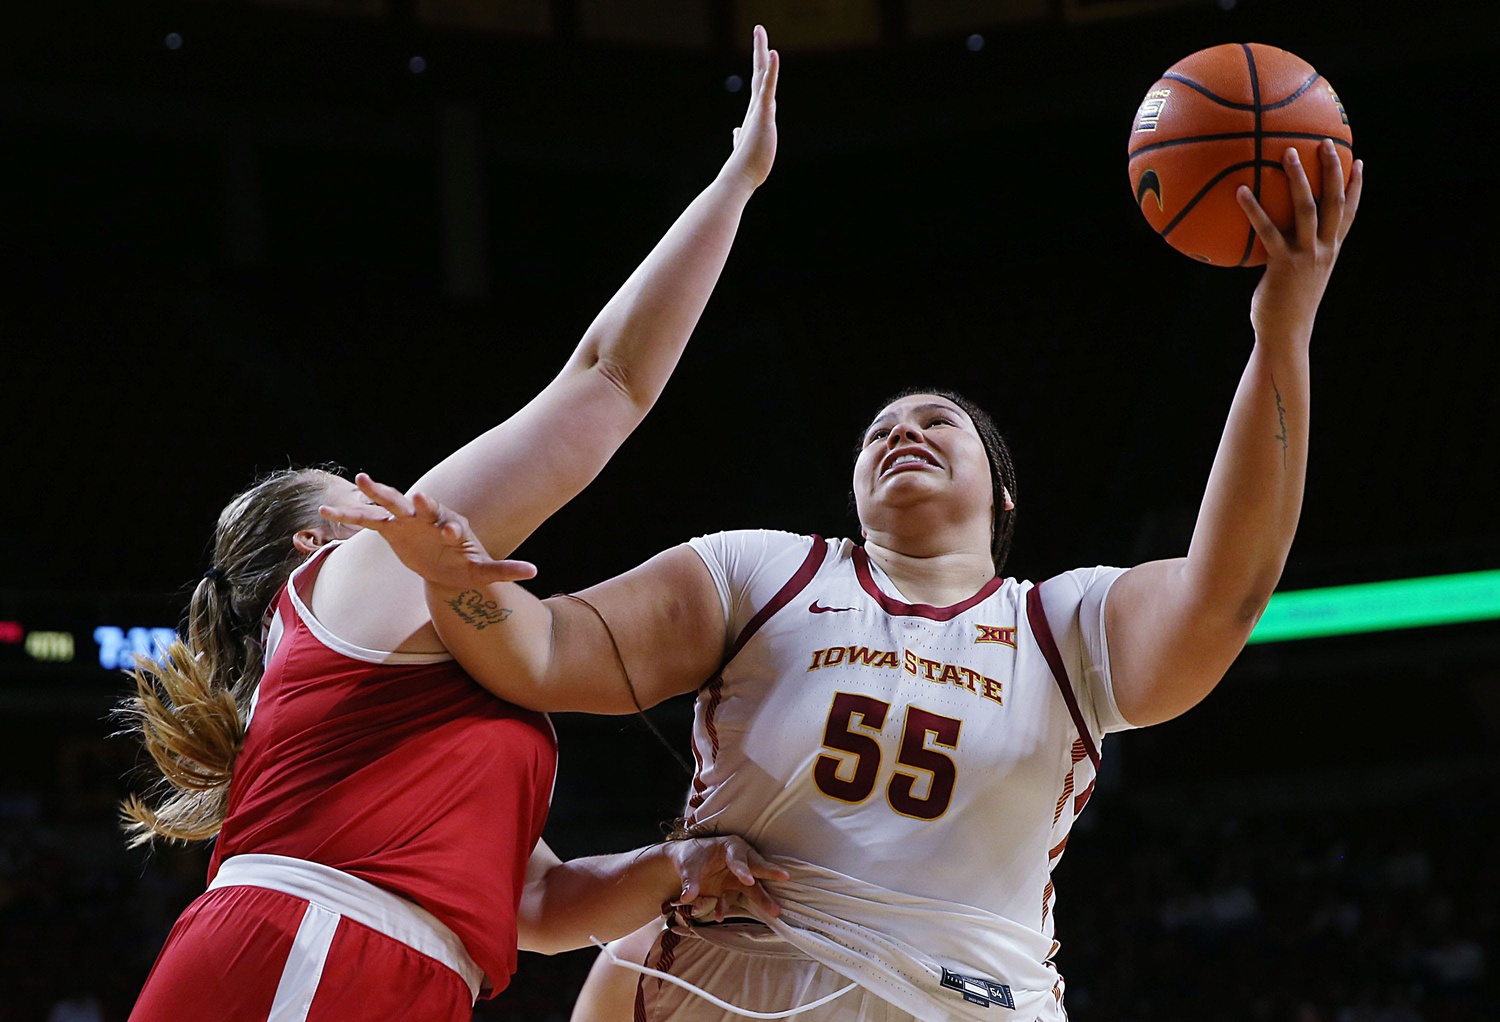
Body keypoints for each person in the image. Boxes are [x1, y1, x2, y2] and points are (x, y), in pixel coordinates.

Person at [332, 141, 1363, 1022]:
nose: (902, 431)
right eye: (880, 430)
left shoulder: (1063, 623)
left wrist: (1282, 332)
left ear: (1003, 495)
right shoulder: (761, 570)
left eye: (936, 423)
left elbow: (1231, 585)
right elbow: (543, 649)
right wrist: (450, 578)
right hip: (734, 986)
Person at [120, 27, 785, 1022]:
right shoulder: (354, 582)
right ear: (313, 544)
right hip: (314, 948)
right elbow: (606, 382)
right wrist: (733, 185)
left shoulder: (401, 685)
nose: (382, 487)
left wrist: (678, 862)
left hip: (392, 968)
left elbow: (539, 905)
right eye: (345, 485)